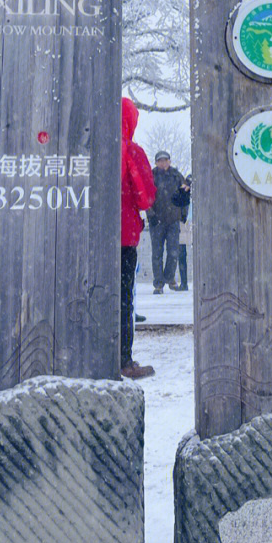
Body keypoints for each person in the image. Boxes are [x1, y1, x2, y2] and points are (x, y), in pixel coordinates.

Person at [120, 97, 157, 380]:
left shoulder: (88, 148)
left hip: (88, 239)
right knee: (123, 298)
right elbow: (146, 196)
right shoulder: (131, 151)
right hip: (123, 236)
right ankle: (123, 360)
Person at [147, 150, 187, 293]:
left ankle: (169, 278)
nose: (163, 163)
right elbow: (146, 196)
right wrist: (150, 214)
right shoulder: (151, 176)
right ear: (156, 162)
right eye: (160, 160)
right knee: (156, 254)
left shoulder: (176, 176)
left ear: (169, 161)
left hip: (173, 221)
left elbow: (185, 194)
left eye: (165, 160)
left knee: (173, 252)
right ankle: (158, 284)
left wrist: (183, 214)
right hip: (157, 221)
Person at [170, 173, 191, 291]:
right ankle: (184, 283)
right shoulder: (182, 195)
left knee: (182, 254)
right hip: (184, 225)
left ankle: (184, 283)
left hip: (187, 224)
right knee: (181, 254)